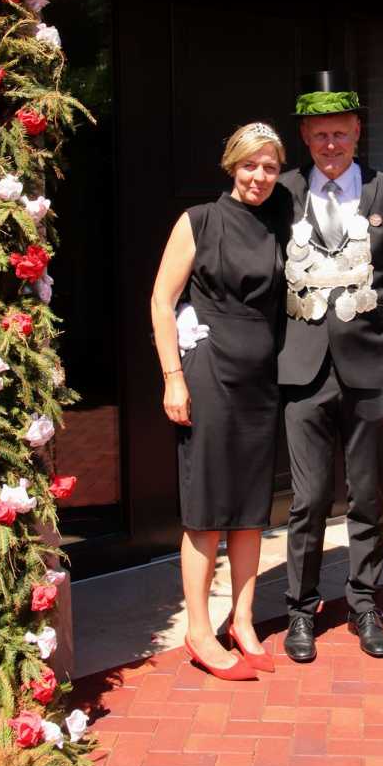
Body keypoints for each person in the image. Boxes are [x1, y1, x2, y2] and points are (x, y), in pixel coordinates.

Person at [278, 70, 383, 662]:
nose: (330, 145)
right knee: (309, 499)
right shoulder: (282, 191)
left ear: (358, 131)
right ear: (305, 138)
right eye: (319, 135)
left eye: (339, 133)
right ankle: (300, 609)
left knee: (365, 494)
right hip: (302, 370)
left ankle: (364, 602)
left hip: (369, 369)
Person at [151, 122, 288, 680]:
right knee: (207, 508)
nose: (260, 176)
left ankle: (244, 621)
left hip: (260, 380)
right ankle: (199, 630)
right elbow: (161, 301)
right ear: (232, 164)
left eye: (270, 167)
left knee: (252, 509)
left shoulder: (280, 221)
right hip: (208, 374)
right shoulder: (199, 221)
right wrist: (173, 377)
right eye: (250, 165)